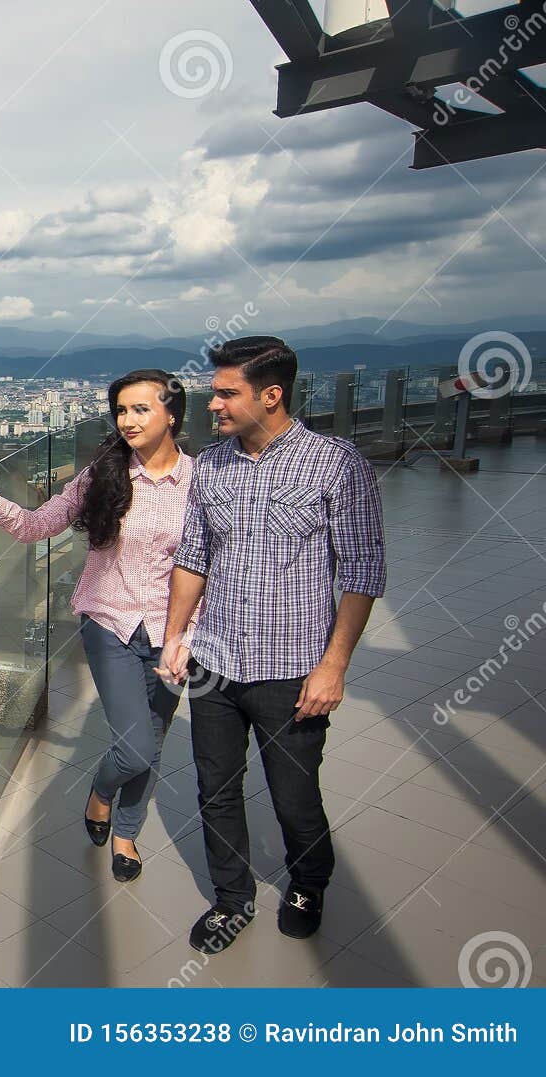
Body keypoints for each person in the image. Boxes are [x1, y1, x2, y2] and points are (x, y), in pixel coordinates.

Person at [158, 336, 385, 954]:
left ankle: (309, 882)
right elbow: (194, 557)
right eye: (214, 391)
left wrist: (333, 666)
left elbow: (363, 572)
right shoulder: (212, 465)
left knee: (293, 794)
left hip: (292, 669)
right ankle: (232, 899)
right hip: (216, 661)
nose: (214, 404)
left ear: (272, 394)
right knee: (216, 788)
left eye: (227, 393)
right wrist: (177, 636)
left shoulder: (335, 464)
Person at [0, 369, 194, 883]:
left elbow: (210, 565)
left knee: (152, 739)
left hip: (173, 634)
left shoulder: (200, 482)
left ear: (171, 414)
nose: (127, 421)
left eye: (141, 409)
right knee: (135, 747)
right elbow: (41, 525)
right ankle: (102, 792)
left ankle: (126, 832)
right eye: (121, 410)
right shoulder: (104, 475)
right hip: (109, 623)